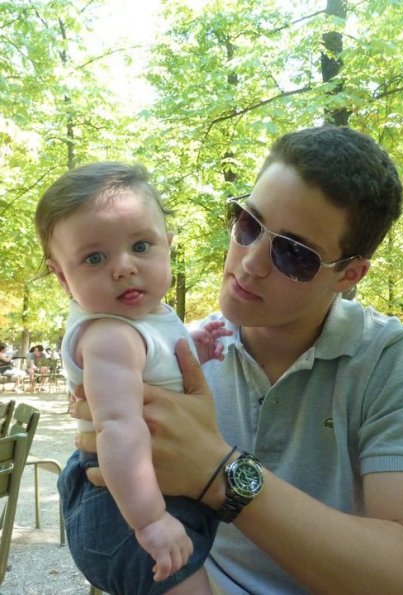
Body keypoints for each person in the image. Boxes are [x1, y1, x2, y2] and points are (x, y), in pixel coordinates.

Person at [74, 126, 403, 594]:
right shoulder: (171, 351)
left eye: (293, 254)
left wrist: (218, 473)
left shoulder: (400, 365)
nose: (250, 262)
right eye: (248, 223)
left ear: (349, 275)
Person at [35, 162, 232, 595]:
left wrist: (190, 346)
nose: (123, 267)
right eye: (95, 258)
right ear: (62, 276)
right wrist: (150, 520)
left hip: (151, 493)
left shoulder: (142, 319)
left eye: (141, 246)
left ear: (168, 246)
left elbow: (154, 369)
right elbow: (119, 428)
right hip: (126, 506)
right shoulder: (109, 335)